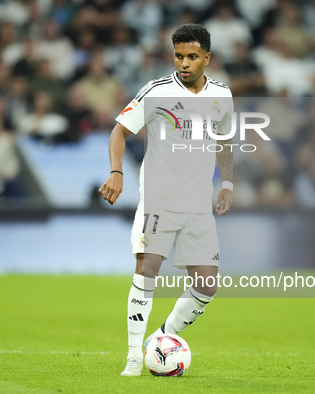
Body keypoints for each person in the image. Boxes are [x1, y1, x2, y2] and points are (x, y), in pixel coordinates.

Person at [98, 24, 234, 377]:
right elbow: (119, 131)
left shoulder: (222, 96)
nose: (184, 63)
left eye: (191, 56)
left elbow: (224, 141)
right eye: (178, 56)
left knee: (207, 285)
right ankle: (132, 357)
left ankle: (162, 339)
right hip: (158, 201)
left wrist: (228, 183)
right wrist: (116, 172)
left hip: (198, 206)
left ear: (207, 57)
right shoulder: (156, 91)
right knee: (146, 272)